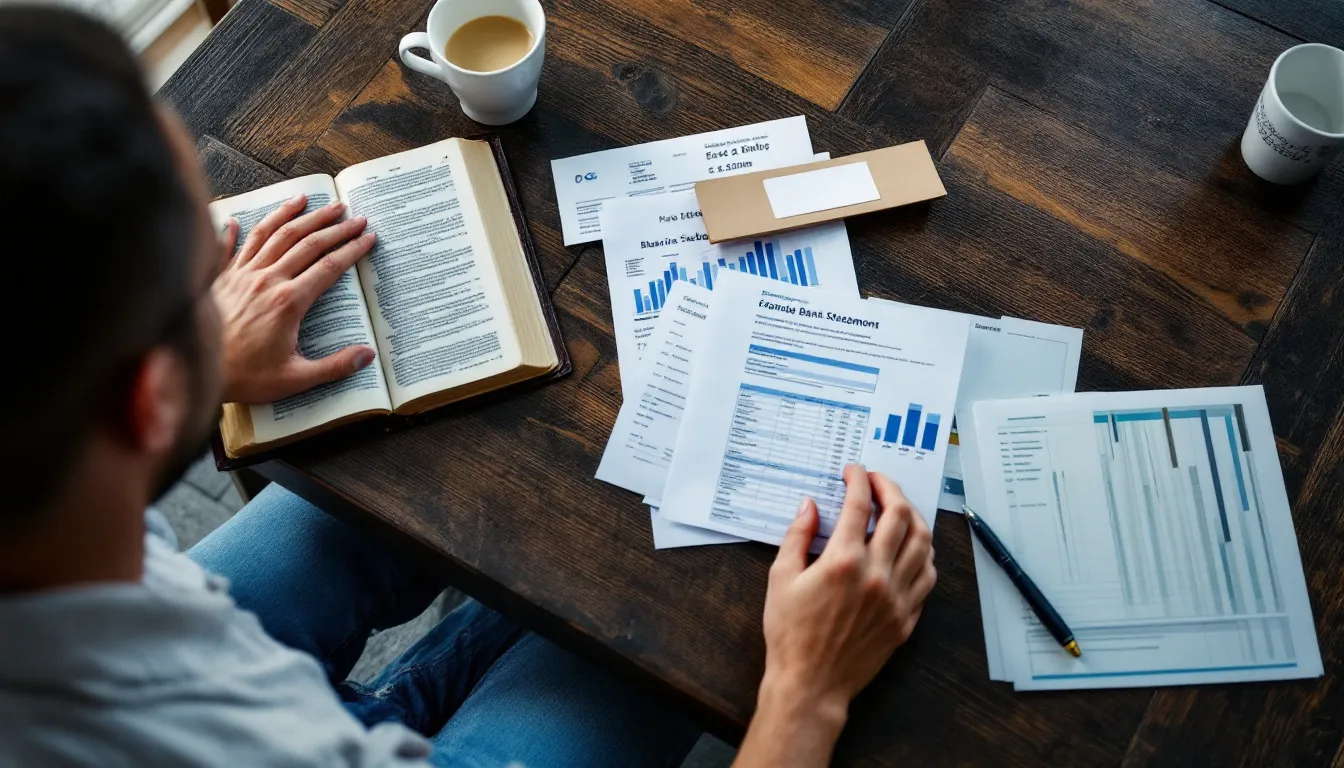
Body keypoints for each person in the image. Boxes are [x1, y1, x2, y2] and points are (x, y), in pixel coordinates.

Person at [0, 8, 936, 768]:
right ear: (142, 399)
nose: (232, 277)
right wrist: (803, 700)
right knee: (684, 623)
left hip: (152, 628)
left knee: (434, 527)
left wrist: (202, 371)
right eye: (210, 266)